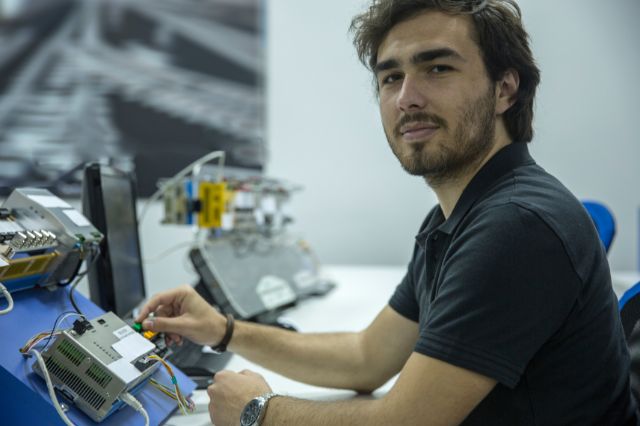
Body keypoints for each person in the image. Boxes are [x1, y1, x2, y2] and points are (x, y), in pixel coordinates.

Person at [137, 0, 639, 424]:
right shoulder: (458, 217)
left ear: (505, 89)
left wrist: (259, 410)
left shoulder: (515, 225)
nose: (407, 98)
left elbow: (406, 421)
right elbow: (367, 358)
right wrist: (223, 329)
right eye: (390, 77)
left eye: (437, 68)